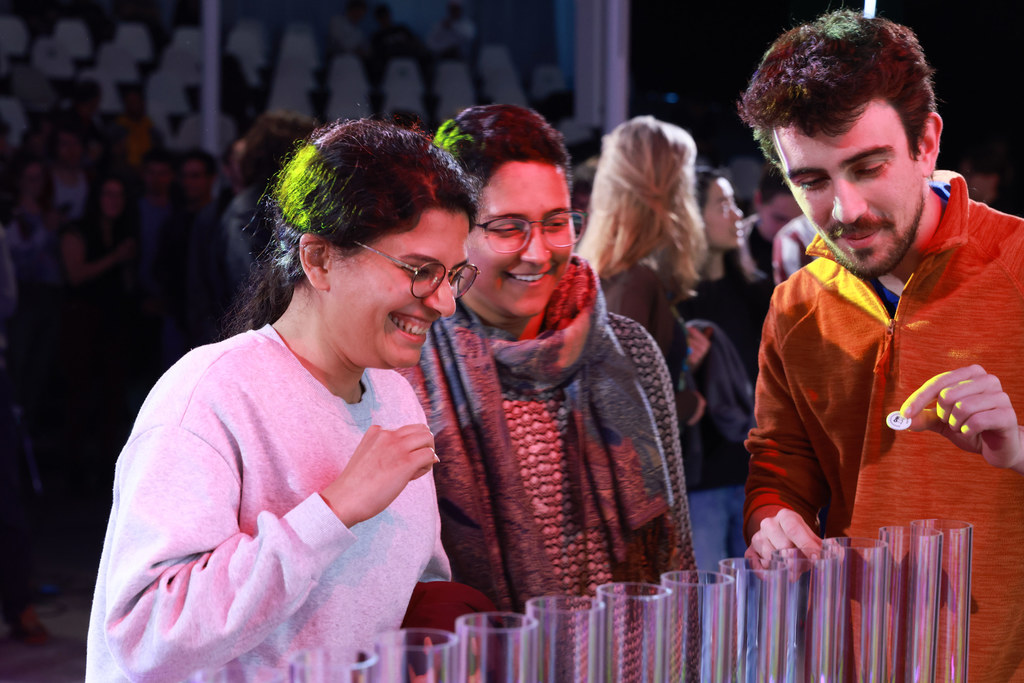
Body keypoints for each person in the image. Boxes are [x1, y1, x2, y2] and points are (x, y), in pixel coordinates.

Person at [85, 118, 478, 681]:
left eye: (455, 275)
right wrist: (333, 510)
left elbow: (407, 591)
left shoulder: (393, 393)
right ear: (318, 260)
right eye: (420, 271)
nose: (445, 303)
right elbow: (146, 634)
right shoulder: (208, 396)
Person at [737, 10, 1024, 680]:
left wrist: (1017, 448)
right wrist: (772, 520)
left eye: (868, 167)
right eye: (812, 181)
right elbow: (779, 468)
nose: (847, 210)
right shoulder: (795, 306)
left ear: (927, 142)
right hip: (851, 659)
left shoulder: (1016, 265)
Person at [401, 105, 695, 612]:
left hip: (632, 644)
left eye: (557, 222)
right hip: (486, 651)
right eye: (507, 227)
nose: (538, 253)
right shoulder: (404, 370)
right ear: (454, 231)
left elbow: (676, 554)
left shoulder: (630, 349)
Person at [575, 115, 708, 440]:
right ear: (672, 187)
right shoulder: (633, 281)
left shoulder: (620, 275)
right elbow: (617, 413)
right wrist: (689, 404)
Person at [676, 167, 773, 570]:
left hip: (758, 476)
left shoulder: (757, 291)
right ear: (691, 216)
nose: (736, 214)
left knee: (763, 599)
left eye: (734, 203)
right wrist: (684, 365)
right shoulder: (673, 302)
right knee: (708, 600)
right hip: (703, 483)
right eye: (722, 205)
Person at [740, 164, 801, 279]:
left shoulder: (814, 251)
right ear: (758, 200)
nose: (788, 230)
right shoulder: (731, 252)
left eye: (797, 222)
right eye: (780, 218)